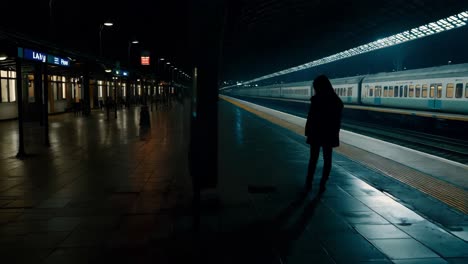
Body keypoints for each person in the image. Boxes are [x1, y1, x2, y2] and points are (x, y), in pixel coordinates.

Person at [304, 74, 343, 193]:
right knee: (327, 159)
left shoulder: (316, 99)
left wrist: (308, 131)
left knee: (313, 159)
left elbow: (311, 117)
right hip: (329, 134)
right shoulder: (336, 100)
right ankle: (322, 183)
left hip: (316, 133)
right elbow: (337, 119)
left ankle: (309, 183)